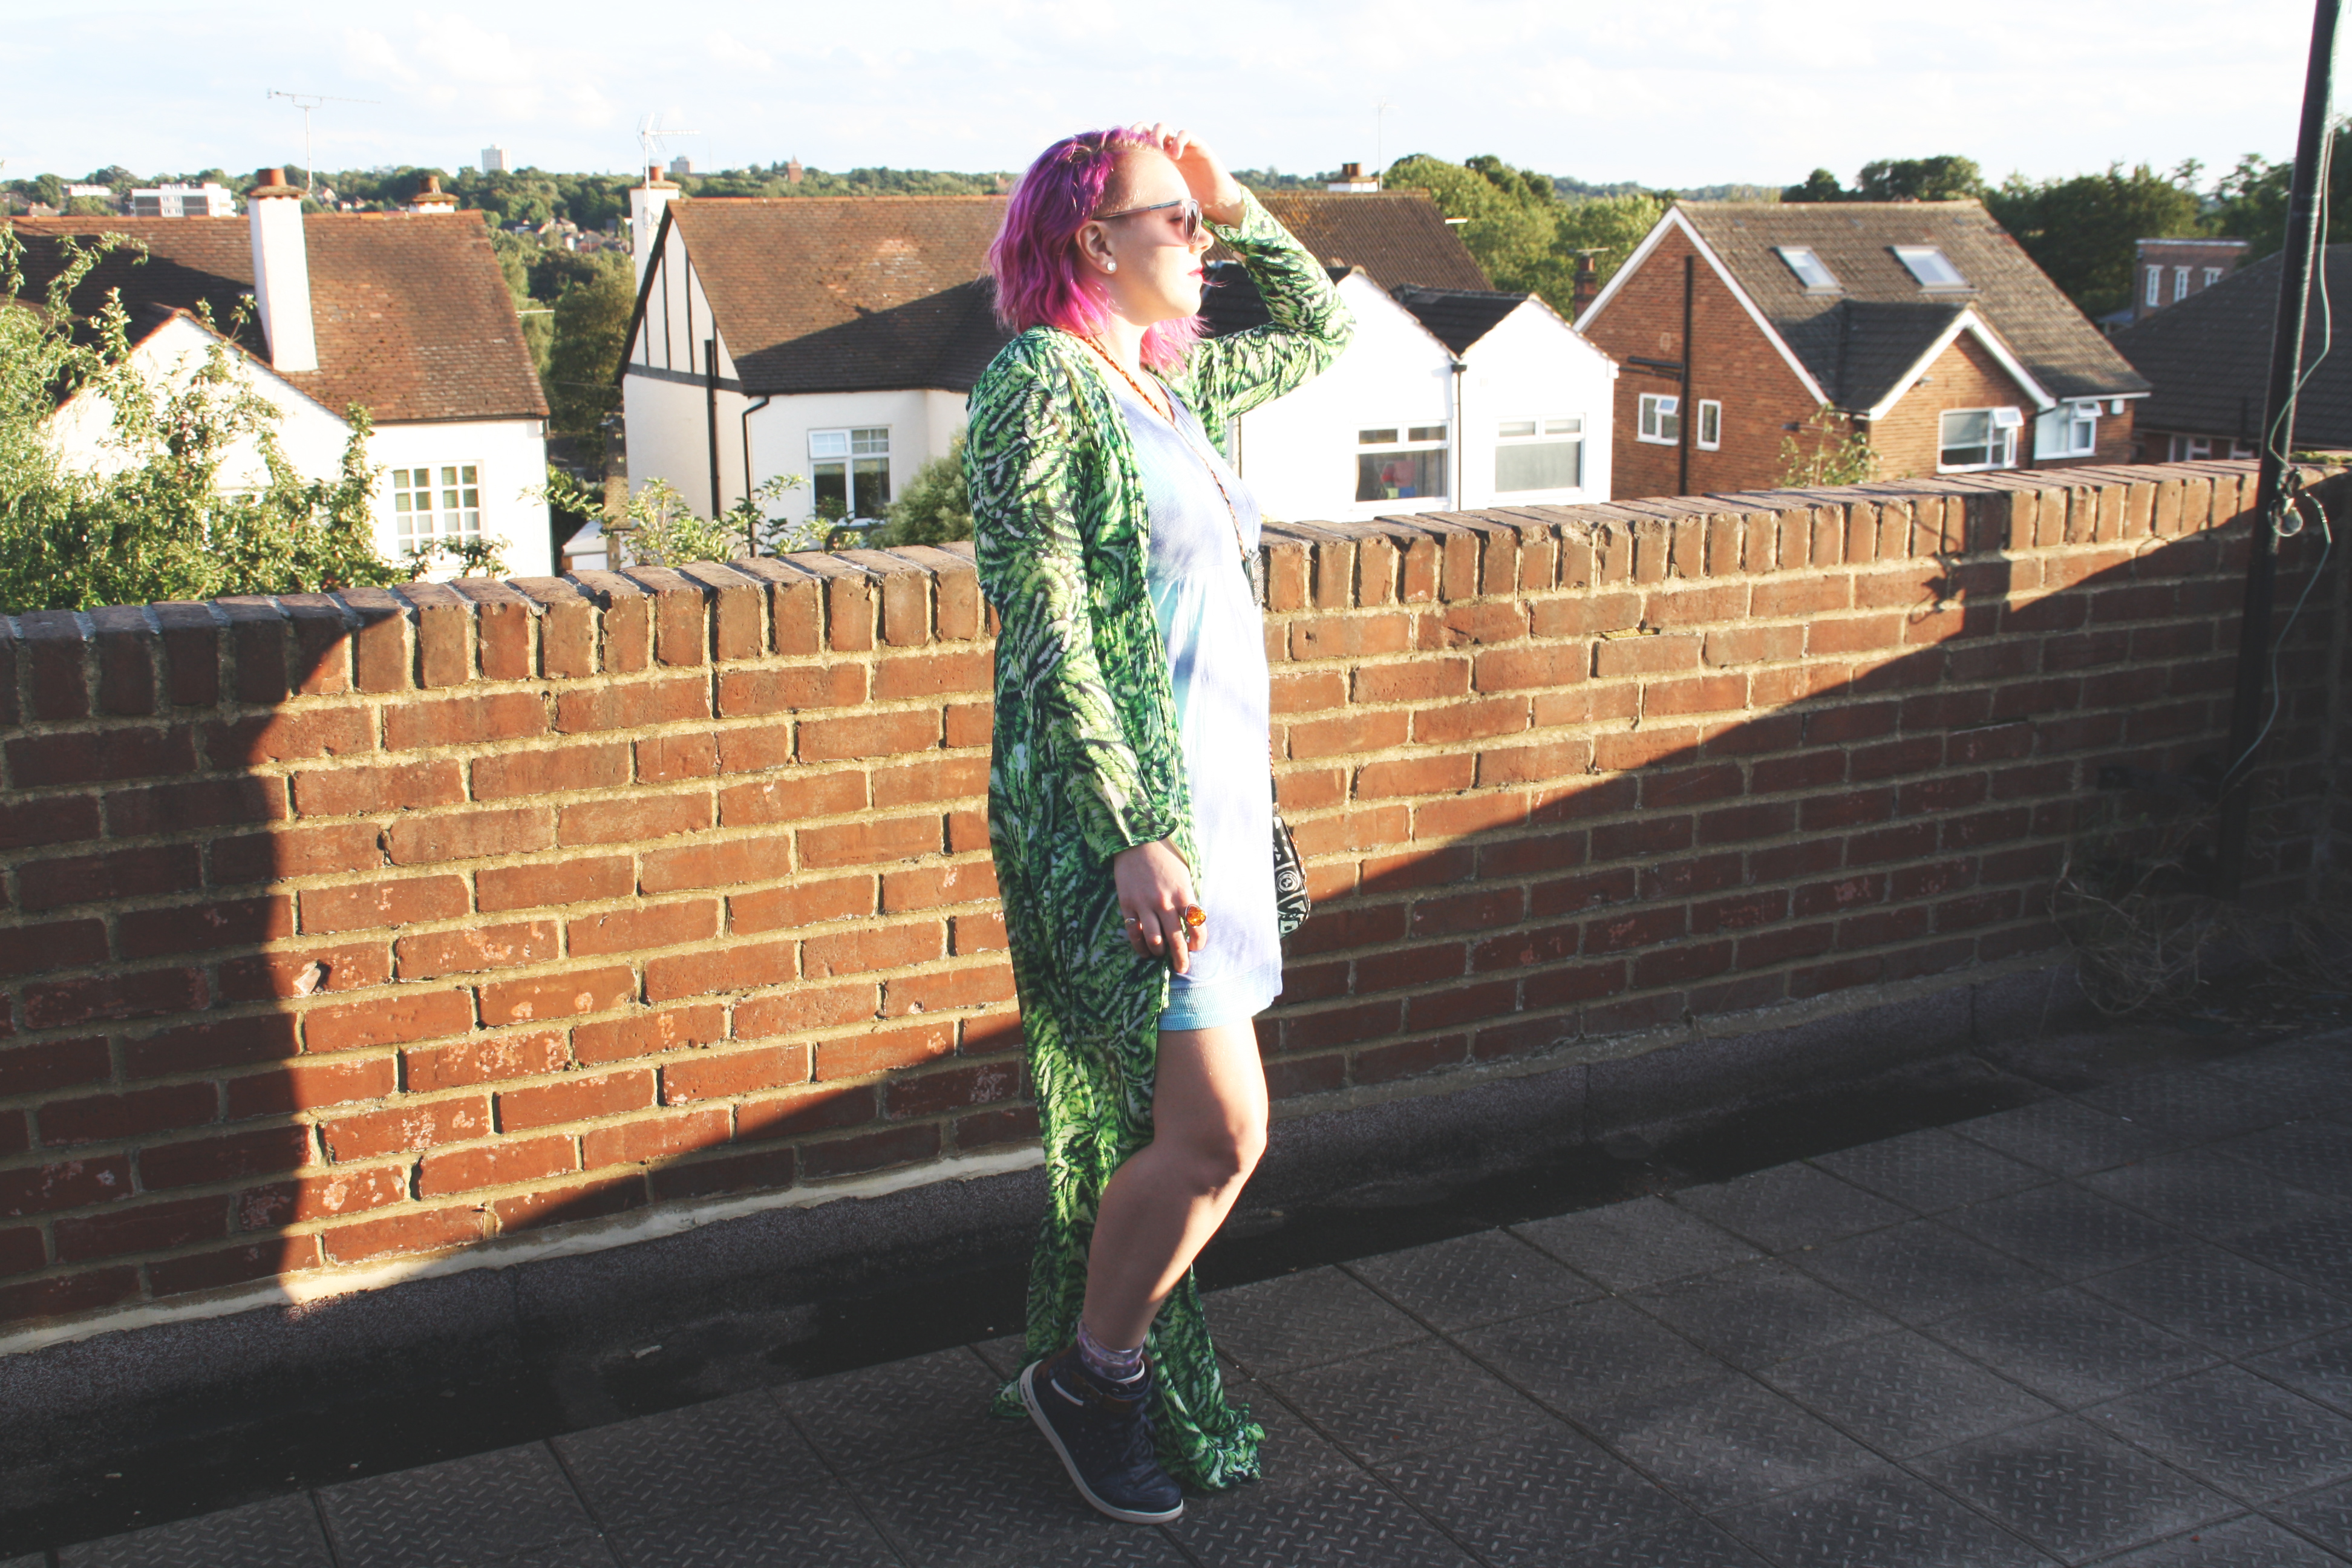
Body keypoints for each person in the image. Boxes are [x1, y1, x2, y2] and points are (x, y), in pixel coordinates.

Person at [964, 123, 1352, 1524]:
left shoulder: (1169, 381)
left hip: (1214, 816)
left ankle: (1093, 1369)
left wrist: (1238, 198)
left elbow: (1322, 330)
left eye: (1199, 220)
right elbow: (1044, 620)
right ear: (1092, 241)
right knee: (1219, 1136)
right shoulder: (1040, 384)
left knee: (1195, 1133)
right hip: (1123, 822)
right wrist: (1129, 828)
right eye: (1174, 220)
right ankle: (1096, 1377)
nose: (1201, 242)